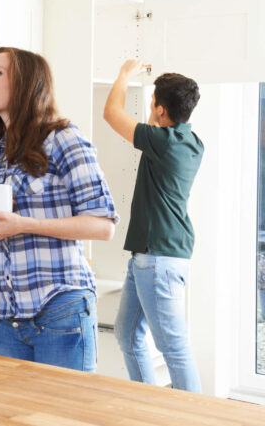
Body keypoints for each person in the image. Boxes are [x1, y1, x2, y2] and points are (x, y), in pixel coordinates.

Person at [0, 47, 117, 372]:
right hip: (3, 316)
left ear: (26, 84)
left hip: (59, 308)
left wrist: (22, 223)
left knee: (64, 417)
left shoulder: (64, 138)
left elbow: (102, 225)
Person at [103, 60, 203, 392]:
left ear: (160, 110)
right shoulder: (189, 142)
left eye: (153, 106)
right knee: (127, 334)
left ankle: (193, 415)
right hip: (154, 254)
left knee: (173, 346)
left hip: (157, 258)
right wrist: (156, 108)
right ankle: (149, 404)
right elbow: (153, 126)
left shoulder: (162, 142)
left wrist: (124, 75)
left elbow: (112, 114)